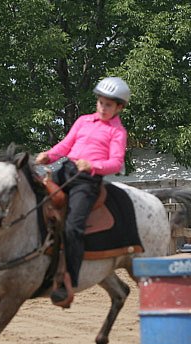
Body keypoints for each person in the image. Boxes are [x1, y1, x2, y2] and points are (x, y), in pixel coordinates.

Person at [35, 76, 130, 304]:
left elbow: (116, 163)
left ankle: (70, 279)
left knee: (73, 227)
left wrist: (92, 166)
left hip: (88, 181)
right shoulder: (83, 121)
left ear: (119, 107)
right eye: (101, 102)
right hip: (66, 169)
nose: (103, 108)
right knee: (35, 198)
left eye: (109, 104)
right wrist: (50, 155)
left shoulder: (118, 132)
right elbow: (66, 145)